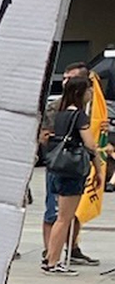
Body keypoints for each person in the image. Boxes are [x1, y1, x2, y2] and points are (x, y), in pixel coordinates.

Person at [40, 70, 97, 272]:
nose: (91, 93)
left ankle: (50, 257)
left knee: (59, 216)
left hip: (57, 167)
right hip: (72, 170)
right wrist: (97, 154)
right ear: (81, 92)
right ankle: (53, 260)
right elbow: (90, 143)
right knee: (64, 218)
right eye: (88, 90)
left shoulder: (61, 114)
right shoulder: (79, 115)